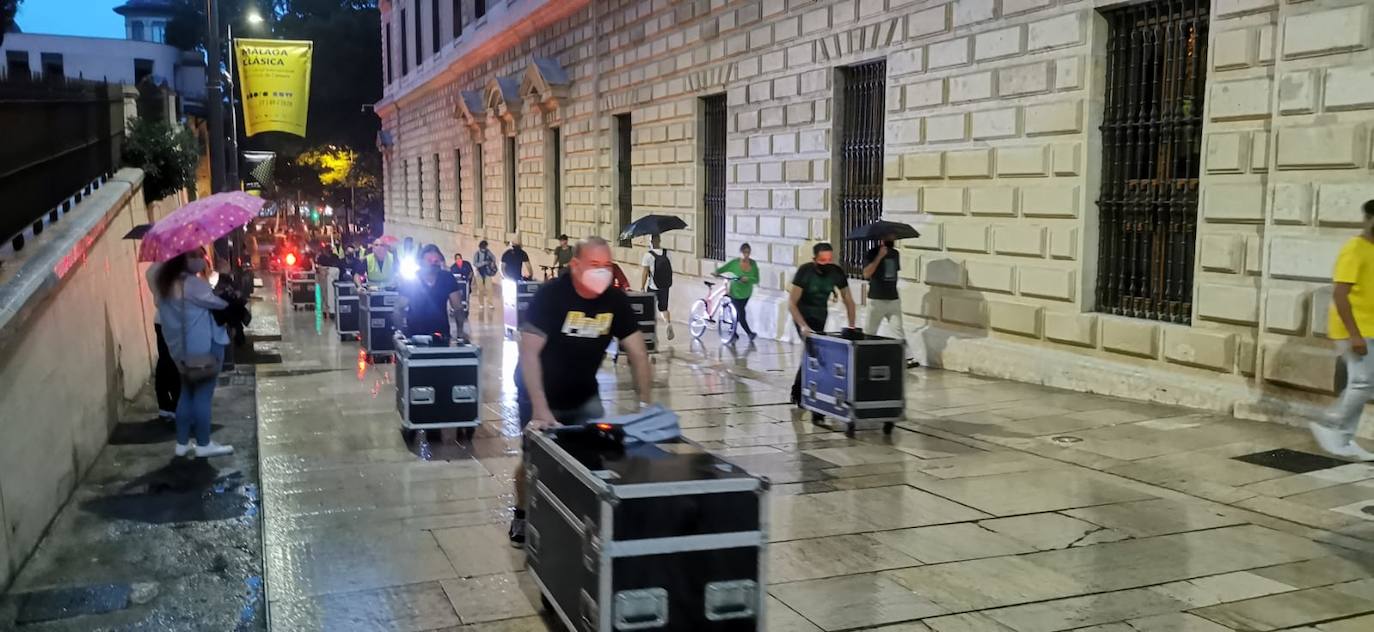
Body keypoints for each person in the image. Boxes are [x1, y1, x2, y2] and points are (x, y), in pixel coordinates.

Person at [509, 236, 654, 546]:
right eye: (595, 265)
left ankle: (581, 517)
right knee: (533, 459)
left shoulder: (614, 301)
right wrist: (540, 408)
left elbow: (638, 353)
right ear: (575, 266)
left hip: (584, 393)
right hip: (538, 391)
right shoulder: (552, 296)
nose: (603, 272)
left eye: (607, 266)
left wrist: (646, 406)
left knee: (594, 456)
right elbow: (530, 353)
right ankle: (521, 513)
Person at [154, 248, 234, 458]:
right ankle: (204, 443)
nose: (200, 259)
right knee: (203, 396)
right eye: (194, 256)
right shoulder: (192, 284)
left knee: (186, 394)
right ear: (182, 260)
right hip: (202, 348)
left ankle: (182, 443)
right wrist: (223, 280)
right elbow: (221, 303)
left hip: (180, 350)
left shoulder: (165, 284)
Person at [1317, 199, 1374, 460]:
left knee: (1362, 384)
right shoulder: (1354, 249)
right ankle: (1333, 427)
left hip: (1370, 328)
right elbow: (1341, 294)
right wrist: (1354, 334)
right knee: (1362, 383)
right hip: (1354, 330)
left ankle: (1341, 436)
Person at [789, 242, 857, 419]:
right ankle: (812, 401)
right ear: (814, 259)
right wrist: (803, 326)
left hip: (820, 316)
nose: (826, 263)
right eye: (822, 260)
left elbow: (848, 300)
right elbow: (792, 303)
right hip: (803, 315)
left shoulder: (836, 272)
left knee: (812, 354)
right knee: (816, 354)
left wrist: (852, 326)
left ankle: (799, 391)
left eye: (829, 259)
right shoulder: (805, 271)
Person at [863, 233, 919, 368]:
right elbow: (866, 274)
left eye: (893, 237)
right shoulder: (872, 253)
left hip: (893, 298)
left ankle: (906, 358)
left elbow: (894, 272)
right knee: (870, 331)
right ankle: (864, 357)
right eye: (890, 237)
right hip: (876, 299)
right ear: (882, 238)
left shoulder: (895, 253)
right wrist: (879, 257)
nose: (892, 239)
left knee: (897, 329)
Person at [396, 244, 466, 341]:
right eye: (429, 261)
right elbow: (399, 308)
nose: (433, 264)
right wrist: (401, 330)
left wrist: (460, 333)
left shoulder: (447, 278)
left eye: (436, 261)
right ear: (421, 262)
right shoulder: (412, 280)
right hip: (414, 334)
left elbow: (458, 308)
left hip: (441, 334)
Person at [145, 262, 180, 421]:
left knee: (165, 361)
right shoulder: (176, 270)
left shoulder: (151, 270)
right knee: (175, 363)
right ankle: (177, 405)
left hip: (160, 319)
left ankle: (165, 405)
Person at [714, 243, 761, 341]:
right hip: (735, 293)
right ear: (740, 253)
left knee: (739, 314)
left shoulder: (753, 264)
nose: (746, 255)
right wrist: (717, 272)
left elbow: (756, 279)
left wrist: (747, 279)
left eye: (747, 252)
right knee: (740, 313)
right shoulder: (735, 263)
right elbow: (724, 268)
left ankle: (733, 332)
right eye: (744, 252)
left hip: (746, 294)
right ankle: (749, 333)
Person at [639, 234, 675, 340]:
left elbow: (645, 272)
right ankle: (668, 324)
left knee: (650, 311)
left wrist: (642, 287)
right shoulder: (667, 253)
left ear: (651, 242)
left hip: (653, 287)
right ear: (659, 240)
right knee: (663, 308)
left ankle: (653, 335)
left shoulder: (648, 255)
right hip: (665, 287)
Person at [316, 245, 343, 319]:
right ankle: (325, 310)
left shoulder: (334, 256)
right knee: (324, 293)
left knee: (331, 294)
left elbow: (337, 266)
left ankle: (332, 310)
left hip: (332, 277)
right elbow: (319, 267)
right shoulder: (321, 257)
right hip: (323, 277)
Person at [473, 240, 498, 310]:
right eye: (483, 248)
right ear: (480, 247)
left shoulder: (488, 252)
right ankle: (481, 303)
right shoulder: (477, 254)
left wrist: (493, 262)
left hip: (487, 272)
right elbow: (475, 263)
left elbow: (494, 258)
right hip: (479, 273)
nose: (484, 249)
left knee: (489, 288)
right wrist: (484, 263)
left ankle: (490, 303)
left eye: (485, 247)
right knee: (480, 289)